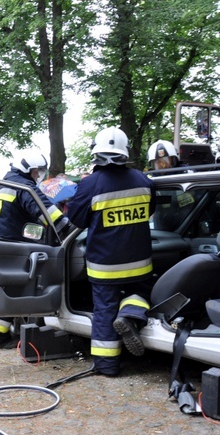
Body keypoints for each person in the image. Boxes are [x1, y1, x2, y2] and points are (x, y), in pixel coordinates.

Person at [68, 127, 155, 376]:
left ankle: (107, 365)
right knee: (140, 292)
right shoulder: (143, 180)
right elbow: (149, 212)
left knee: (105, 310)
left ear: (97, 153)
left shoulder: (89, 185)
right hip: (140, 262)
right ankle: (129, 315)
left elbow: (76, 219)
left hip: (104, 266)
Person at [0, 150, 73, 349]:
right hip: (7, 242)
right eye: (38, 172)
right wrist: (67, 227)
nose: (39, 176)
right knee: (13, 289)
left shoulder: (6, 183)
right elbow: (45, 211)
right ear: (30, 170)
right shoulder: (24, 186)